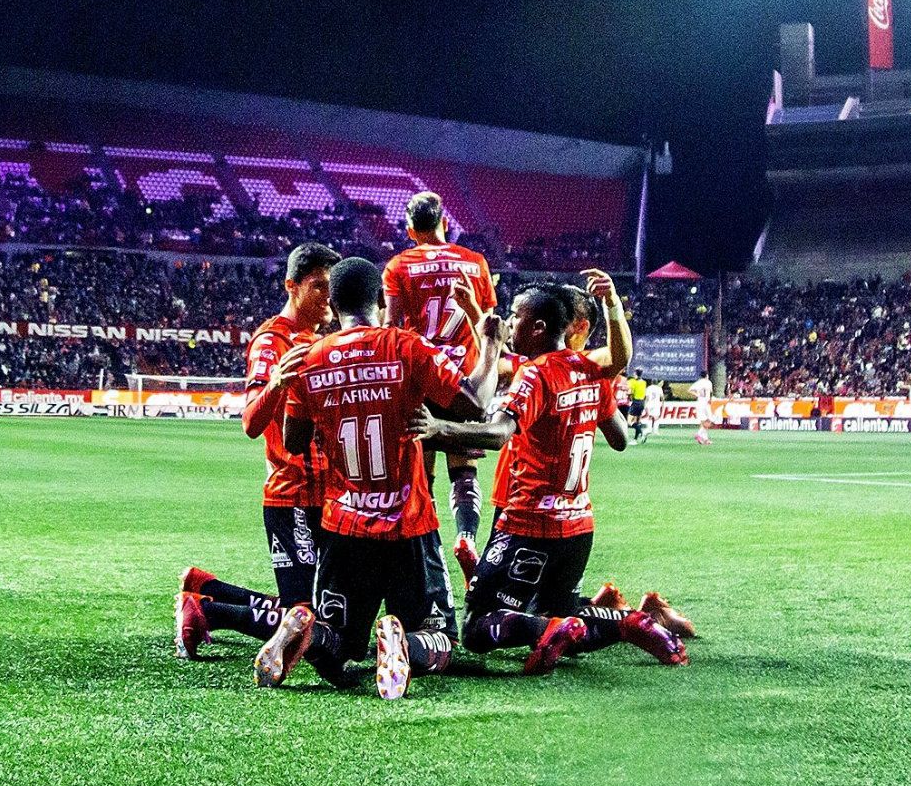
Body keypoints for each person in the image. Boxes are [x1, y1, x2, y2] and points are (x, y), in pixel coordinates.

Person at [255, 256, 501, 700]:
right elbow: (476, 403)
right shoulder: (407, 347)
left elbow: (294, 442)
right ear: (380, 304)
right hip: (408, 525)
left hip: (343, 527)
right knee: (440, 636)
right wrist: (490, 346)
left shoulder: (310, 359)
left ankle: (307, 630)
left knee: (340, 645)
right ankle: (405, 643)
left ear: (333, 304)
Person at [411, 284, 687, 673]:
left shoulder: (536, 373)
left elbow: (498, 433)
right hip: (578, 526)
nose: (510, 323)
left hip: (530, 521)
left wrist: (439, 428)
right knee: (560, 613)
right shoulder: (590, 370)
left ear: (539, 327)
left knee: (476, 628)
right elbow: (620, 437)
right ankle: (629, 623)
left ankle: (555, 627)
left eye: (516, 317)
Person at [179, 242, 341, 657]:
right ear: (291, 286)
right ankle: (208, 610)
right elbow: (251, 422)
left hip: (330, 497)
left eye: (332, 287)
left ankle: (207, 590)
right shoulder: (272, 341)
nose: (328, 296)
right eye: (318, 286)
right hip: (293, 495)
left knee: (325, 614)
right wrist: (277, 384)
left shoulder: (320, 340)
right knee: (308, 622)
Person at [382, 192, 498, 577]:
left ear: (410, 230)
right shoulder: (475, 262)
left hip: (420, 374)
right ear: (444, 222)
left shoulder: (399, 266)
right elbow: (486, 324)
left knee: (422, 470)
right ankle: (466, 537)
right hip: (464, 378)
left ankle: (428, 551)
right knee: (464, 468)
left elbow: (391, 326)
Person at [688, 372, 715, 445]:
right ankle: (700, 435)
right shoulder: (708, 382)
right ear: (707, 375)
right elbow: (711, 392)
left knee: (704, 421)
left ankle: (704, 438)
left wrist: (698, 395)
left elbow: (690, 390)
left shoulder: (698, 382)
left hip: (700, 402)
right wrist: (710, 399)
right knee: (710, 420)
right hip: (706, 403)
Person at [625, 369, 649, 443]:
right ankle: (635, 440)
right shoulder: (644, 382)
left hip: (636, 402)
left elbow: (630, 392)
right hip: (642, 402)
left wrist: (628, 395)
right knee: (637, 422)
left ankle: (642, 432)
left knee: (629, 421)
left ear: (636, 374)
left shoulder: (634, 382)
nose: (633, 375)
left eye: (634, 374)